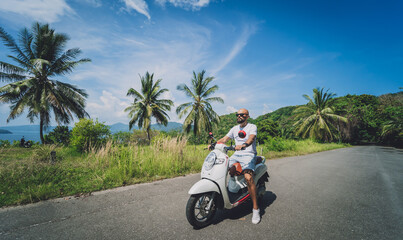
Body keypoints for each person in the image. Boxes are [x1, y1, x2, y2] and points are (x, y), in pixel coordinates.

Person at [216, 108, 261, 224]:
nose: (239, 116)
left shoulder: (252, 127)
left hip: (248, 154)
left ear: (247, 116)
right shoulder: (234, 128)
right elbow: (225, 139)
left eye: (242, 114)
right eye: (238, 115)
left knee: (248, 178)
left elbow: (251, 138)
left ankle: (256, 209)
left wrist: (244, 145)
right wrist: (215, 144)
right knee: (221, 168)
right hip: (236, 155)